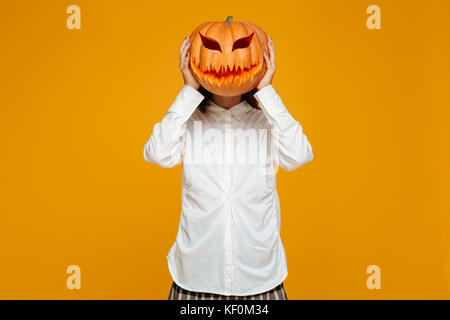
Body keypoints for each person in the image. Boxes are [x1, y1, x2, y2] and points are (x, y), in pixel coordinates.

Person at [143, 35, 313, 300]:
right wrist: (189, 89)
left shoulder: (266, 123)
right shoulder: (188, 124)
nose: (226, 59)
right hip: (194, 281)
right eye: (212, 49)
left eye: (240, 49)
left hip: (261, 281)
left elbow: (299, 155)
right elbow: (157, 153)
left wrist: (265, 88)